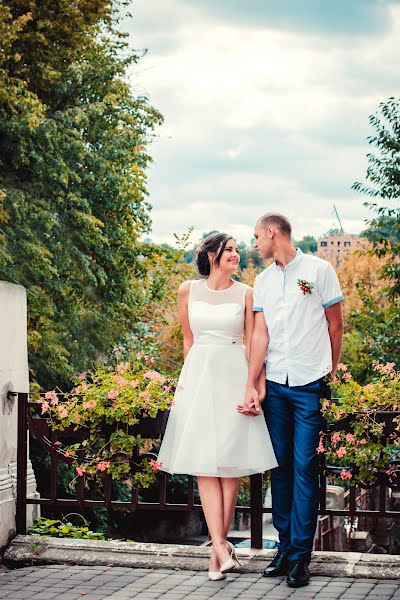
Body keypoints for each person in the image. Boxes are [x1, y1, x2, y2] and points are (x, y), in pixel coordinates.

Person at [158, 232, 277, 580]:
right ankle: (220, 550)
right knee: (204, 466)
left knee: (229, 466)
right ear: (211, 255)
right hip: (199, 375)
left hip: (234, 375)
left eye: (238, 250)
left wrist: (257, 387)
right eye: (229, 250)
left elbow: (256, 342)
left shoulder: (246, 293)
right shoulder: (187, 290)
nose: (236, 254)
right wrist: (187, 386)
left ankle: (217, 552)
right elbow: (188, 340)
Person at [240, 213, 344, 589]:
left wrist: (328, 372)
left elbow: (335, 324)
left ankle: (301, 556)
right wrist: (253, 384)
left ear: (272, 233)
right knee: (280, 468)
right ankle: (284, 552)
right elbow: (261, 336)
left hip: (308, 385)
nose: (253, 244)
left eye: (255, 237)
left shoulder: (319, 270)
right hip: (276, 389)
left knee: (304, 469)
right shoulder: (264, 280)